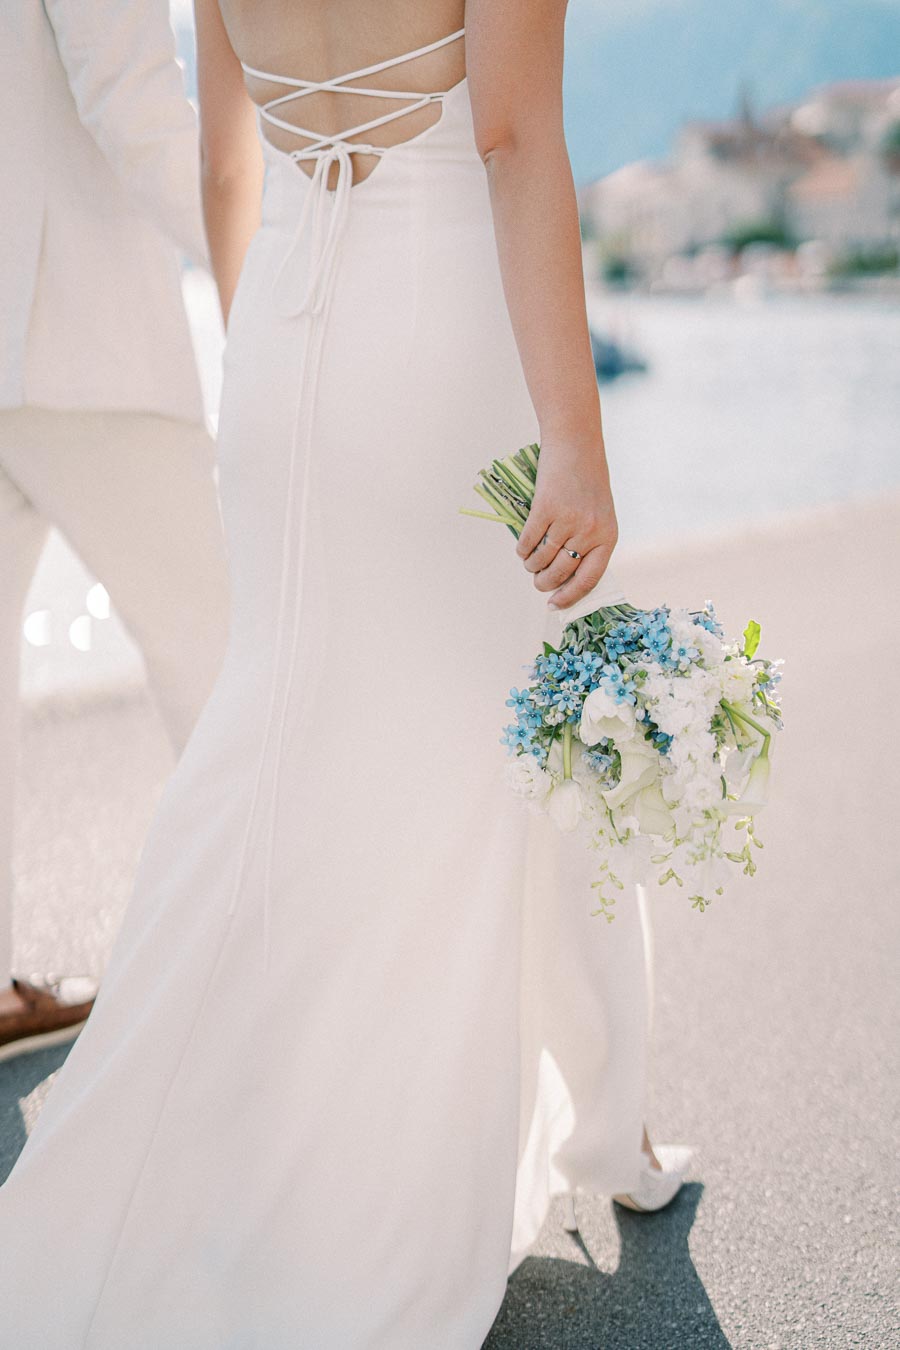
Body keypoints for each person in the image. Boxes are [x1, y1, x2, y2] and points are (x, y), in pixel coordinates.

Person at [0, 2, 691, 1343]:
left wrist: (268, 362)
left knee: (279, 740)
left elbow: (223, 160)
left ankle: (191, 1142)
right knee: (505, 738)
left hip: (282, 342)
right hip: (438, 333)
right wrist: (574, 433)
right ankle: (582, 1121)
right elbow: (506, 136)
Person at [0, 0, 229, 1063]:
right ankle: (275, 972)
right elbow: (132, 98)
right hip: (81, 330)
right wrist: (265, 270)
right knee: (218, 659)